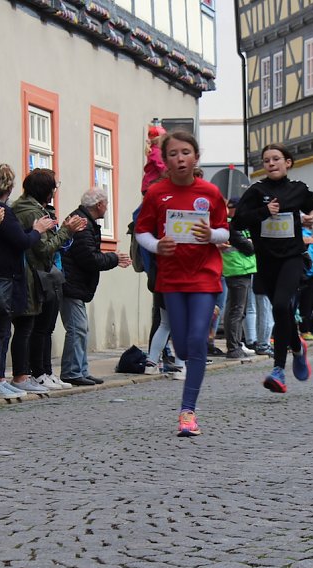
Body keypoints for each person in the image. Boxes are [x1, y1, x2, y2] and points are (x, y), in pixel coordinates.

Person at [135, 131, 228, 436]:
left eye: (185, 152)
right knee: (184, 347)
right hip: (172, 277)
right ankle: (188, 345)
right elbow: (142, 231)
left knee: (198, 341)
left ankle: (187, 412)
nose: (180, 158)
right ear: (165, 159)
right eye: (173, 153)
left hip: (204, 274)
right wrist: (156, 246)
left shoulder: (211, 192)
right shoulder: (156, 193)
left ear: (196, 157)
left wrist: (210, 236)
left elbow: (225, 231)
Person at [233, 143, 313, 394]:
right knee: (283, 311)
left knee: (281, 306)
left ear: (287, 162)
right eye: (266, 160)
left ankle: (278, 369)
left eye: (276, 159)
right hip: (266, 259)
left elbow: (312, 205)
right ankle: (298, 346)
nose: (271, 163)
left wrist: (312, 215)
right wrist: (263, 212)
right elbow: (237, 222)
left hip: (292, 257)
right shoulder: (257, 191)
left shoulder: (297, 189)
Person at [0, 163, 55, 399]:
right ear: (8, 186)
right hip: (2, 275)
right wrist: (37, 230)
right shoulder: (0, 208)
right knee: (0, 331)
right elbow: (22, 241)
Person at [12, 168, 86, 391]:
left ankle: (44, 371)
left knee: (43, 328)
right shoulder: (30, 211)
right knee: (35, 329)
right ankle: (32, 374)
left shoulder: (34, 208)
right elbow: (44, 248)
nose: (55, 191)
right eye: (54, 187)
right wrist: (66, 231)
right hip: (35, 275)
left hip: (43, 275)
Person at [61, 187, 131, 384]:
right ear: (99, 205)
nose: (107, 208)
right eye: (106, 204)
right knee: (77, 328)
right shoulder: (83, 224)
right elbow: (89, 259)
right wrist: (113, 258)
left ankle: (80, 370)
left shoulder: (84, 221)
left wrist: (111, 258)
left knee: (81, 329)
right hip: (71, 283)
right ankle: (73, 372)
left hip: (75, 283)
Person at [222, 197, 257, 360]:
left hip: (242, 269)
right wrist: (253, 243)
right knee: (236, 311)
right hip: (237, 269)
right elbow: (249, 248)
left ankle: (236, 345)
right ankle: (233, 347)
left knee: (236, 310)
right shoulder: (232, 225)